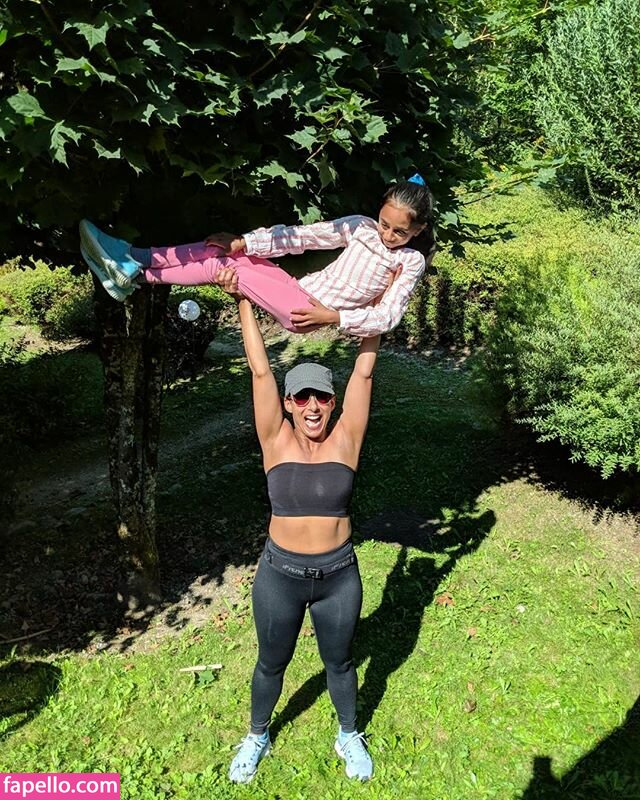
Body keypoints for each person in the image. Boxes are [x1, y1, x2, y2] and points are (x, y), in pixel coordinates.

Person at [215, 266, 380, 783]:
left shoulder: (346, 439)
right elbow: (260, 371)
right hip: (280, 576)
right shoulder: (275, 439)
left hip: (338, 575)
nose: (313, 406)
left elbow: (363, 374)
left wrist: (379, 304)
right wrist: (244, 297)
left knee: (340, 662)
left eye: (322, 397)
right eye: (302, 397)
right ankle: (257, 735)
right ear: (288, 404)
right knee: (271, 662)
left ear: (332, 403)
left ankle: (348, 734)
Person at [79, 174, 435, 338]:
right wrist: (245, 243)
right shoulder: (360, 227)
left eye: (399, 232)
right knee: (222, 249)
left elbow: (388, 316)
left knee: (219, 266)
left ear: (417, 230)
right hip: (296, 287)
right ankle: (133, 258)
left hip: (305, 311)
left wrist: (334, 317)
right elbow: (302, 237)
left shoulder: (410, 261)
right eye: (384, 223)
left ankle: (135, 274)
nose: (387, 235)